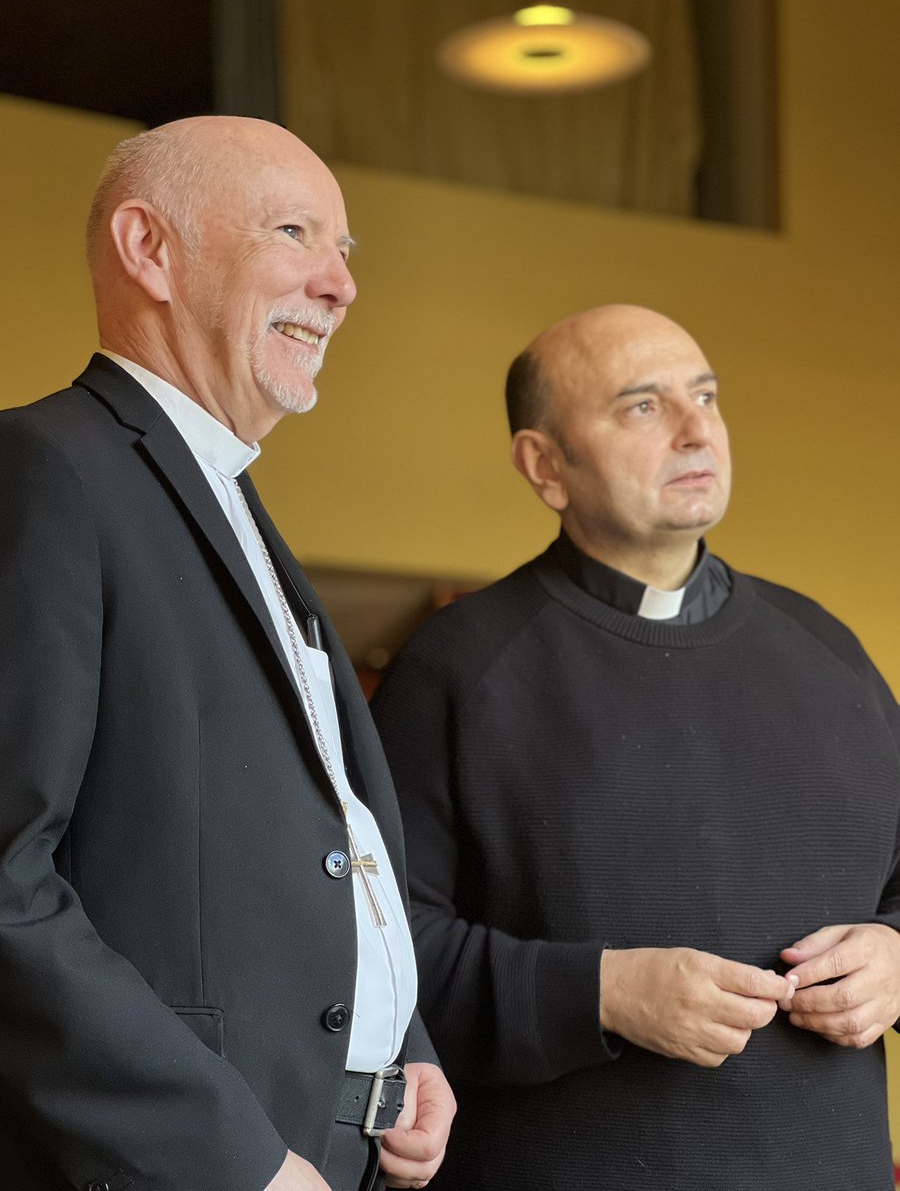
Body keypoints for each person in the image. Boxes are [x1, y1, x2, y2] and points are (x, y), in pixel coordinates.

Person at [0, 116, 454, 1191]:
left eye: (347, 253)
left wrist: (403, 1052)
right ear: (149, 249)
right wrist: (232, 1160)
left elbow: (305, 845)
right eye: (296, 231)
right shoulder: (46, 471)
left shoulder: (229, 499)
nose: (340, 285)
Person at [370, 304, 900, 1190]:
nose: (698, 430)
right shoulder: (459, 667)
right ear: (546, 466)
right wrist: (603, 994)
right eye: (642, 407)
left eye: (706, 396)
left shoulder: (830, 652)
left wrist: (895, 954)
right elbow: (378, 957)